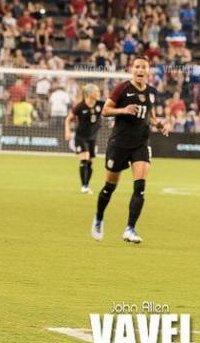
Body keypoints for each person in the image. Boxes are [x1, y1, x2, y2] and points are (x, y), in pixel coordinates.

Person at [91, 56, 169, 244]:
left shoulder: (151, 92)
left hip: (140, 144)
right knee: (110, 187)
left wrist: (158, 124)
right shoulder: (122, 88)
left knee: (140, 188)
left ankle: (130, 228)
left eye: (144, 67)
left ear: (148, 71)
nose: (140, 70)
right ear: (131, 69)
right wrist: (123, 110)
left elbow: (149, 115)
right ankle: (99, 218)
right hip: (119, 144)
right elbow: (105, 110)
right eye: (137, 67)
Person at [64, 84, 104, 194]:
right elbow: (68, 119)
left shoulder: (101, 104)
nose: (99, 93)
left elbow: (111, 110)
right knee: (85, 158)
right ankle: (84, 186)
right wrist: (67, 131)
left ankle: (86, 185)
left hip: (93, 137)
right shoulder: (80, 106)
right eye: (96, 91)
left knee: (90, 162)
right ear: (90, 94)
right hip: (81, 137)